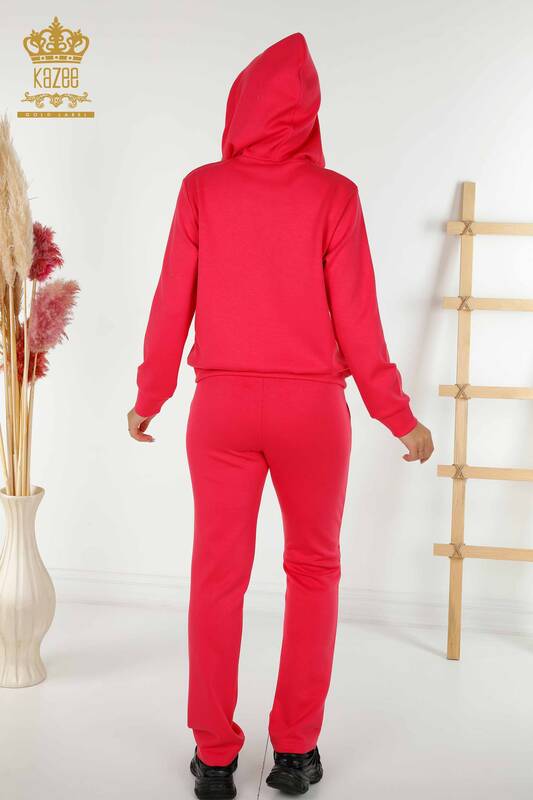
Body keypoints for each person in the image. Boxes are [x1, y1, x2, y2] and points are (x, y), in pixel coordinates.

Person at [128, 31, 433, 800]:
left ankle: (214, 759)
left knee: (216, 577)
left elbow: (171, 301)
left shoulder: (202, 188)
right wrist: (397, 416)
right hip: (311, 413)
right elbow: (358, 320)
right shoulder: (334, 195)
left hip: (220, 410)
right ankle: (294, 754)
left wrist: (150, 394)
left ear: (239, 107)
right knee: (314, 571)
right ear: (306, 113)